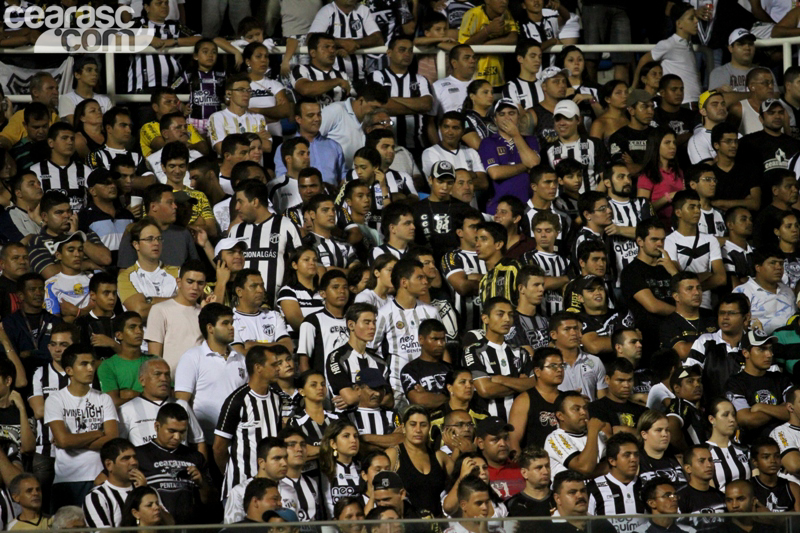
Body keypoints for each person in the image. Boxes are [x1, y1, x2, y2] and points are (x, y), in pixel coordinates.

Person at [44, 345, 118, 507]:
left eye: (92, 363)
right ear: (69, 370)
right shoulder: (55, 400)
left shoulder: (104, 399)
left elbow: (112, 440)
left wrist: (73, 441)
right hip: (67, 479)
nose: (91, 368)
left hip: (99, 477)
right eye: (84, 364)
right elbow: (63, 441)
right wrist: (98, 433)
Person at [174, 303, 247, 444]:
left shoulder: (241, 359)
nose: (231, 327)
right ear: (210, 328)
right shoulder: (192, 357)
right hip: (204, 440)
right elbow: (182, 402)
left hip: (237, 439)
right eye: (225, 323)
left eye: (231, 323)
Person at [369, 259, 439, 404]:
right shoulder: (384, 313)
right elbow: (371, 351)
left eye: (425, 277)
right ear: (404, 282)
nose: (426, 281)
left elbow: (442, 349)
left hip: (429, 387)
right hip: (397, 389)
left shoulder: (431, 312)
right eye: (420, 277)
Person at [134, 403, 213, 525]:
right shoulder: (138, 455)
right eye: (172, 431)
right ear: (157, 426)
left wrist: (201, 483)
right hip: (155, 528)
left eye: (182, 432)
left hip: (190, 526)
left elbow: (210, 501)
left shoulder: (196, 457)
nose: (177, 437)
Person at [229, 180, 302, 307]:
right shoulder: (236, 231)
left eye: (240, 201)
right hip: (242, 312)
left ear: (255, 202)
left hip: (279, 309)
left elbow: (299, 265)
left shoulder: (286, 225)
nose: (237, 207)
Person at [117, 358, 205, 453]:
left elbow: (198, 441)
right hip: (144, 466)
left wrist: (202, 467)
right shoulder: (127, 410)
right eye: (157, 374)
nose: (164, 379)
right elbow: (119, 446)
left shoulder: (182, 405)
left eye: (167, 375)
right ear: (142, 380)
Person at [382, 406, 450, 517]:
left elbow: (459, 480)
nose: (418, 430)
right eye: (413, 424)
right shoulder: (393, 454)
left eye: (423, 425)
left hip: (436, 526)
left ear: (429, 428)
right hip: (405, 525)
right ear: (403, 428)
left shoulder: (439, 457)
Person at [726, 331, 792, 444]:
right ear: (746, 353)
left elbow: (795, 411)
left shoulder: (781, 379)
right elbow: (746, 419)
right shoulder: (735, 382)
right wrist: (780, 409)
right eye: (761, 349)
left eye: (770, 349)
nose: (769, 354)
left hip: (786, 441)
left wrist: (760, 407)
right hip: (753, 446)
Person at [28, 190, 110, 278]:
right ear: (45, 216)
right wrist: (87, 264)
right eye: (59, 212)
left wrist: (75, 235)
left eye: (69, 211)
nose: (66, 215)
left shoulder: (85, 232)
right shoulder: (38, 241)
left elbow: (105, 259)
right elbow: (50, 273)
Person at [116, 184, 200, 269]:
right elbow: (125, 273)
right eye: (170, 203)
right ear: (153, 207)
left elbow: (195, 268)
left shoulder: (183, 233)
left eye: (174, 202)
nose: (175, 206)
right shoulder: (135, 233)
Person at [479, 99, 541, 213]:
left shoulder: (530, 140)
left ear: (519, 117)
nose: (507, 118)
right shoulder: (488, 142)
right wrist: (525, 166)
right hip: (498, 207)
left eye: (511, 113)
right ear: (495, 119)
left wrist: (516, 135)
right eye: (502, 114)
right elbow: (495, 173)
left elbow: (533, 163)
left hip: (528, 206)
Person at [144, 260, 205, 374]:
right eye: (190, 282)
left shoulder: (204, 313)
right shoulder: (159, 310)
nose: (195, 287)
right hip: (171, 384)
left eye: (200, 283)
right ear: (179, 282)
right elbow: (154, 358)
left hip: (201, 381)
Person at [634, 4, 700, 106]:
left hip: (695, 102)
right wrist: (634, 86)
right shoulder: (669, 44)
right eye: (691, 18)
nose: (696, 21)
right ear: (679, 24)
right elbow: (644, 60)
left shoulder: (689, 44)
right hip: (683, 103)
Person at [688, 294, 750, 400]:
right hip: (712, 410)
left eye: (731, 313)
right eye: (722, 313)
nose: (725, 317)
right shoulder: (705, 342)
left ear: (745, 318)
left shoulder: (754, 344)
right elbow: (689, 376)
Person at [544, 99, 608, 193]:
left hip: (590, 203)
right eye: (558, 119)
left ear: (578, 120)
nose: (562, 123)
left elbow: (605, 177)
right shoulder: (548, 150)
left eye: (567, 118)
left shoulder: (594, 144)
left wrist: (593, 201)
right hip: (561, 205)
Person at [585, 432, 645, 531]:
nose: (633, 459)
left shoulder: (647, 486)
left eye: (636, 454)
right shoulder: (593, 488)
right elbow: (586, 524)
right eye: (627, 455)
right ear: (612, 461)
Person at [508, 347, 563, 455]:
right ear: (537, 371)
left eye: (561, 365)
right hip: (536, 466)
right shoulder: (524, 400)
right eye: (553, 366)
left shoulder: (567, 399)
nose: (559, 370)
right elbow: (513, 442)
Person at [222, 437, 288, 523]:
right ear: (262, 462)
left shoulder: (290, 489)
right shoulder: (239, 491)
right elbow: (232, 528)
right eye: (277, 458)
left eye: (285, 458)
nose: (284, 463)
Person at [297, 270, 351, 373]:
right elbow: (303, 363)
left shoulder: (354, 320)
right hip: (324, 385)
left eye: (345, 287)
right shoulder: (312, 321)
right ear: (323, 293)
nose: (342, 291)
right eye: (335, 287)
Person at [82, 439, 145, 528]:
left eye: (135, 457)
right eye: (126, 458)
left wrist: (144, 493)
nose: (134, 462)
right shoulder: (97, 496)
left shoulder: (147, 489)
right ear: (109, 465)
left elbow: (169, 524)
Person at [733, 247, 797, 335]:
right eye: (773, 263)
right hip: (759, 344)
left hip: (791, 344)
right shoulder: (742, 292)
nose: (778, 267)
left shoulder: (788, 291)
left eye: (781, 264)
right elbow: (736, 326)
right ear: (758, 267)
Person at [545, 391, 607, 479]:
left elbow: (616, 464)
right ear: (560, 416)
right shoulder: (554, 438)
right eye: (576, 409)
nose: (583, 412)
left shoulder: (598, 433)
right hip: (573, 491)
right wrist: (592, 431)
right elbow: (584, 468)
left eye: (585, 408)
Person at [457, 0, 519, 89]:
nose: (504, 1)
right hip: (474, 77)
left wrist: (487, 45)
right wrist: (487, 31)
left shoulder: (506, 14)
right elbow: (463, 46)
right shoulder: (472, 14)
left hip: (497, 76)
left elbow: (513, 38)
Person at [79, 168, 134, 265]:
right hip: (102, 275)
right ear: (92, 191)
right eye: (106, 183)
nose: (112, 186)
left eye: (113, 182)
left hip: (128, 272)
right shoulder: (84, 216)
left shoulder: (127, 215)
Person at [96, 312, 152, 408]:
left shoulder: (155, 362)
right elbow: (113, 403)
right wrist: (145, 395)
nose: (139, 331)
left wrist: (132, 394)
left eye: (141, 327)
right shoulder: (107, 366)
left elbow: (166, 396)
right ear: (119, 335)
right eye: (132, 327)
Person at [549, 312, 607, 401]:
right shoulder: (547, 365)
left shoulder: (594, 361)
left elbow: (603, 401)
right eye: (567, 329)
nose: (573, 333)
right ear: (554, 335)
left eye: (576, 328)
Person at [230, 269, 293, 353]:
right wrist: (276, 345)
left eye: (262, 285)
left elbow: (288, 347)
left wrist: (253, 345)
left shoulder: (274, 316)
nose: (260, 290)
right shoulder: (230, 319)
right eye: (253, 286)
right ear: (239, 292)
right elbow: (239, 353)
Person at [208, 73, 271, 155]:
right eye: (241, 90)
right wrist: (254, 137)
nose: (246, 94)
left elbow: (267, 147)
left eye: (248, 90)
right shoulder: (217, 117)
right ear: (229, 93)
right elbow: (221, 148)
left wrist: (233, 142)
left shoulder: (259, 118)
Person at [0, 72, 59, 151]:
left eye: (57, 88)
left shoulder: (56, 117)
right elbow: (4, 140)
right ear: (35, 92)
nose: (56, 92)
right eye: (50, 88)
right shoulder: (21, 116)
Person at [399, 319, 451, 409]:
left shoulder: (451, 369)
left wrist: (428, 394)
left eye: (443, 339)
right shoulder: (410, 370)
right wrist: (450, 397)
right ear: (421, 339)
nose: (440, 344)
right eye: (435, 339)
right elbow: (420, 401)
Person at [711, 123, 761, 214]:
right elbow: (708, 204)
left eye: (735, 141)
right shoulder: (710, 173)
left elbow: (755, 204)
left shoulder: (749, 170)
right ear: (716, 145)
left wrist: (720, 203)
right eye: (728, 141)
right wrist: (744, 202)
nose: (734, 145)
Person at [42, 232, 92, 322]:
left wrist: (76, 312)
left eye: (80, 250)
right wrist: (87, 310)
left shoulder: (93, 279)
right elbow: (55, 322)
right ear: (58, 255)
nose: (77, 254)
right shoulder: (51, 284)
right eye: (71, 250)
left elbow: (101, 313)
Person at [676, 445, 726, 532]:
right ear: (688, 468)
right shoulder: (679, 498)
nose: (709, 465)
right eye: (702, 461)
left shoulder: (721, 497)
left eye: (710, 460)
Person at [304, 194, 360, 271]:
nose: (332, 214)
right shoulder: (306, 244)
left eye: (333, 210)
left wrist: (330, 269)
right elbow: (320, 273)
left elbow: (357, 273)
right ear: (312, 215)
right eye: (325, 210)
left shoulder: (344, 244)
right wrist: (347, 272)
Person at [706, 398, 751, 492]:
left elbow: (755, 483)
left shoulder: (745, 450)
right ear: (711, 419)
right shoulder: (704, 452)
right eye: (725, 415)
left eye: (733, 415)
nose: (732, 419)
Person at [550, 470, 616, 533]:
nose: (580, 496)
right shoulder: (547, 528)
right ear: (557, 498)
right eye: (572, 492)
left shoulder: (603, 526)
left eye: (583, 491)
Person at [320, 419, 362, 517]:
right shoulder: (322, 471)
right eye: (346, 436)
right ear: (333, 443)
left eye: (355, 436)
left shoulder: (364, 469)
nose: (353, 440)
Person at [609, 90, 656, 175]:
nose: (651, 111)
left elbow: (664, 167)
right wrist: (651, 166)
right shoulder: (619, 137)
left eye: (652, 107)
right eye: (645, 106)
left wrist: (637, 165)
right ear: (631, 110)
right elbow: (627, 170)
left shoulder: (658, 134)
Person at [638, 410, 688, 489]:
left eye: (667, 430)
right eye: (659, 430)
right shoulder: (636, 461)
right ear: (644, 434)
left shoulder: (678, 459)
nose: (665, 434)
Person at [749, 437, 800, 512]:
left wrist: (770, 517)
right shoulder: (748, 488)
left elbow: (797, 521)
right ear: (755, 462)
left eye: (777, 456)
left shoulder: (792, 488)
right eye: (766, 457)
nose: (773, 461)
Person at [666, 365, 708, 451]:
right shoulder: (680, 404)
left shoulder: (694, 408)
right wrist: (688, 453)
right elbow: (670, 426)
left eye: (699, 381)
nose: (697, 384)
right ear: (677, 388)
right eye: (690, 381)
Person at [504, 446, 555, 517]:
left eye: (547, 466)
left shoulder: (560, 500)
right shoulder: (512, 505)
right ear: (524, 473)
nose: (545, 472)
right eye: (539, 468)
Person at [730, 67, 780, 136]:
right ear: (752, 86)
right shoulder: (739, 109)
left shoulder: (779, 108)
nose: (771, 86)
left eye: (772, 82)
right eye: (766, 83)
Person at [432, 45, 477, 115]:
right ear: (454, 63)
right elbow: (430, 119)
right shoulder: (438, 86)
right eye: (467, 58)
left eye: (474, 57)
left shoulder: (481, 86)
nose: (472, 61)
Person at [688, 91, 730, 164]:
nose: (721, 108)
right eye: (715, 105)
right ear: (703, 111)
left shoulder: (737, 135)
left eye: (723, 104)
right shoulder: (698, 139)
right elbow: (707, 171)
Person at [652, 75, 696, 143]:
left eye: (681, 89)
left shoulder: (691, 115)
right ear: (662, 93)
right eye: (674, 89)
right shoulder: (653, 116)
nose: (679, 93)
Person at [502, 39, 543, 110]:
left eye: (540, 57)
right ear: (520, 59)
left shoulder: (544, 85)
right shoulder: (511, 87)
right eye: (532, 56)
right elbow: (514, 115)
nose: (538, 60)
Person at [722, 208, 755, 288]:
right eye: (743, 219)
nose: (749, 223)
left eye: (751, 219)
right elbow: (735, 287)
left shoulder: (756, 251)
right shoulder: (724, 252)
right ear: (730, 225)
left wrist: (745, 280)